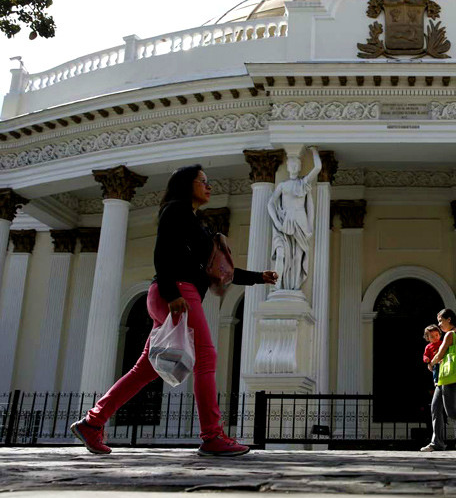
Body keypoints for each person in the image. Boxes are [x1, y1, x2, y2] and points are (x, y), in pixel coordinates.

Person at [70, 165, 278, 457]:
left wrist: (258, 277)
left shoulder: (195, 222)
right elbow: (162, 252)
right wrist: (172, 293)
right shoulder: (176, 211)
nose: (209, 186)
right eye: (202, 181)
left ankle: (92, 422)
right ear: (185, 184)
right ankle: (212, 436)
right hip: (177, 293)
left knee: (145, 369)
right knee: (206, 357)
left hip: (174, 293)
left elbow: (217, 271)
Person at [267, 147, 322, 290]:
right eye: (291, 163)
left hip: (300, 222)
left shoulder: (303, 183)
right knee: (281, 254)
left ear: (299, 167)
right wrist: (277, 223)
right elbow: (270, 203)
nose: (294, 166)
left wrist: (314, 151)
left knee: (298, 257)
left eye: (296, 164)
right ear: (287, 166)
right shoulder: (283, 186)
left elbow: (318, 168)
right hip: (285, 222)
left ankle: (294, 287)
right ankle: (278, 285)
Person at [420, 308, 456, 452]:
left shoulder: (450, 334)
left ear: (448, 319)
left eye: (440, 321)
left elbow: (440, 353)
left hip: (450, 377)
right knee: (435, 408)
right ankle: (436, 443)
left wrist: (431, 363)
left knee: (451, 411)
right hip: (444, 377)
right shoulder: (454, 334)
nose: (439, 324)